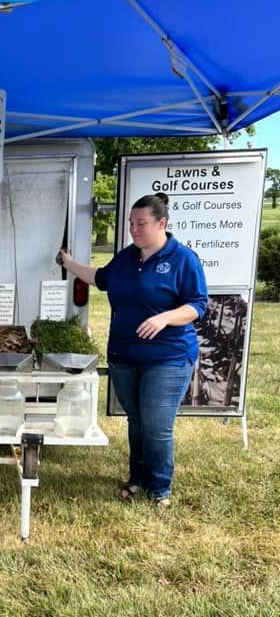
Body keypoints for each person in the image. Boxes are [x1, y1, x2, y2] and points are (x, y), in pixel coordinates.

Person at [59, 191, 208, 506]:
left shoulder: (183, 259)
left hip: (167, 356)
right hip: (124, 356)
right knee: (137, 421)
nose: (134, 230)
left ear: (161, 223)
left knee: (156, 425)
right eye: (131, 223)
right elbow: (100, 278)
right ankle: (137, 478)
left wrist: (165, 318)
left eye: (141, 224)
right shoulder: (126, 257)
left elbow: (198, 305)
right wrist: (69, 264)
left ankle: (159, 489)